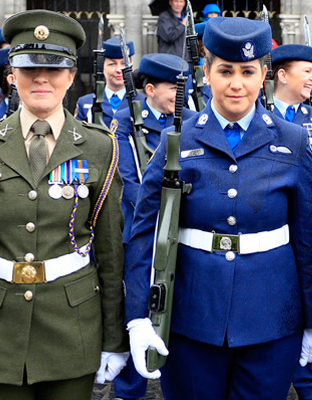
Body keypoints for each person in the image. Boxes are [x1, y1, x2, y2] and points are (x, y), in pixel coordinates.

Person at [0, 10, 127, 399]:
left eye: (54, 68)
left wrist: (114, 338)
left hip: (72, 327)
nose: (41, 79)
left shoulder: (100, 146)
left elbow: (111, 253)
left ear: (70, 76)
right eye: (29, 69)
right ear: (12, 75)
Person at [124, 16, 312, 399]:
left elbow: (308, 239)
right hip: (191, 319)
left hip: (272, 320)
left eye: (248, 72)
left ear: (264, 74)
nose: (236, 83)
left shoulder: (293, 142)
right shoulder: (175, 142)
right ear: (206, 72)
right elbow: (143, 234)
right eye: (225, 70)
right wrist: (137, 317)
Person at [110, 52, 195, 400]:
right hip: (142, 230)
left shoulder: (193, 120)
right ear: (149, 89)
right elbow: (128, 181)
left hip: (182, 231)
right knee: (139, 306)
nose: (181, 93)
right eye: (173, 88)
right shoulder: (127, 121)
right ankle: (130, 388)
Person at [271, 43, 312, 400]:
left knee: (311, 290)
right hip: (275, 224)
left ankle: (311, 385)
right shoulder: (259, 115)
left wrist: (307, 193)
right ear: (282, 75)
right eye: (307, 71)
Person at [75, 37, 142, 128]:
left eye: (124, 64)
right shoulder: (85, 103)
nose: (119, 70)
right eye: (112, 64)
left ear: (131, 66)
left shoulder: (142, 102)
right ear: (102, 67)